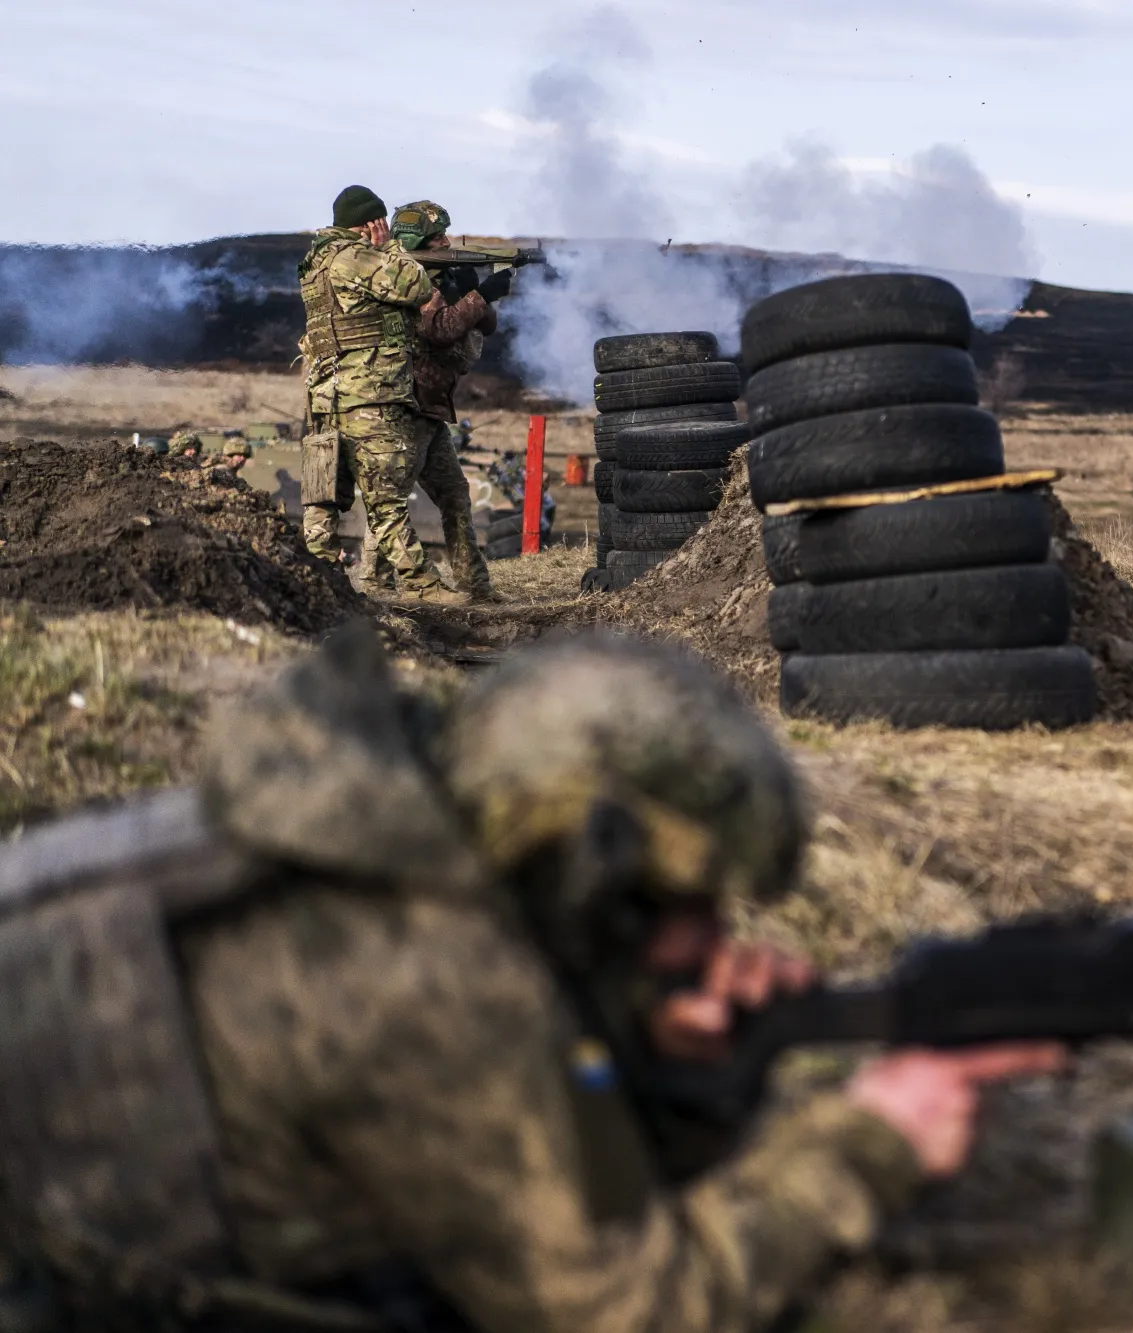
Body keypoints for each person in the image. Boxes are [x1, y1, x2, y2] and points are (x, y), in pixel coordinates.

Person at [0, 628, 1060, 1332]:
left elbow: (476, 1141)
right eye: (676, 905)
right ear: (585, 865)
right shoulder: (428, 972)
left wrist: (660, 1064)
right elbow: (626, 1310)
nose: (704, 941)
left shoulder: (373, 826)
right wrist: (866, 1142)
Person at [296, 185, 455, 601]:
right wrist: (390, 250)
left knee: (323, 498)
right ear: (372, 223)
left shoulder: (314, 262)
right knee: (386, 502)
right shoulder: (358, 257)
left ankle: (321, 584)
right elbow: (415, 286)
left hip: (325, 398)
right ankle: (424, 586)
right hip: (368, 397)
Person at [383, 199, 507, 602]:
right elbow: (438, 328)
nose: (445, 241)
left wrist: (475, 291)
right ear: (416, 239)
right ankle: (372, 580)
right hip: (410, 399)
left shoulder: (439, 274)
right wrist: (476, 296)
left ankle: (476, 586)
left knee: (454, 495)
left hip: (431, 405)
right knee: (392, 499)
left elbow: (483, 324)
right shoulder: (405, 276)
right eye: (437, 236)